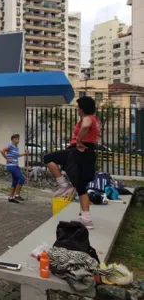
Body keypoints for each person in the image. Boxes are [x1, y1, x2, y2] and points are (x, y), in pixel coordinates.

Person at [43, 96, 100, 229]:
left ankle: (63, 185)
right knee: (81, 187)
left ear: (82, 109)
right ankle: (86, 219)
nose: (77, 109)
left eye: (78, 107)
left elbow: (85, 125)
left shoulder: (88, 118)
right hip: (88, 153)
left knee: (48, 158)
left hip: (78, 152)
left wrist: (79, 140)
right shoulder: (96, 120)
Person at [0, 134, 29, 204]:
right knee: (22, 179)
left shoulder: (16, 147)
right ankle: (17, 195)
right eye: (16, 139)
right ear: (12, 139)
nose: (18, 140)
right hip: (11, 166)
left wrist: (25, 154)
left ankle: (10, 197)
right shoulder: (10, 145)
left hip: (15, 165)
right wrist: (7, 159)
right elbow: (2, 151)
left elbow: (17, 155)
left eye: (18, 139)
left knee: (15, 182)